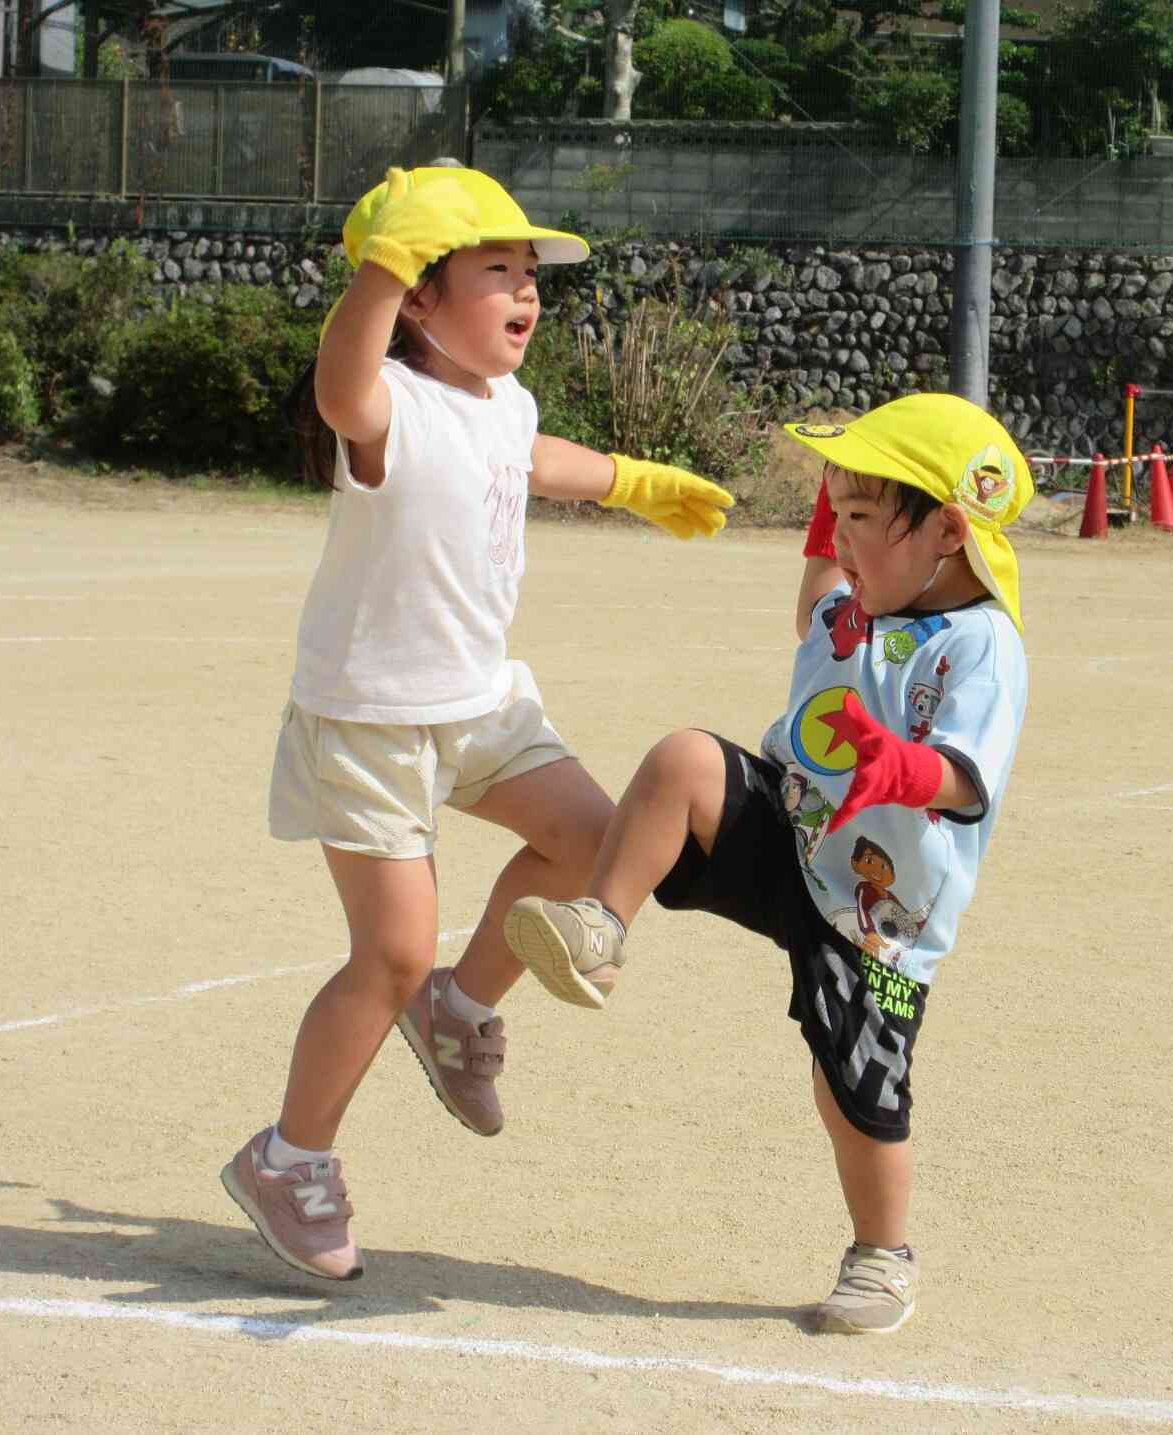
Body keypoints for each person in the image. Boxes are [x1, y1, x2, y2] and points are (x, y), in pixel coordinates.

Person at [220, 165, 735, 1282]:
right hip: (373, 717)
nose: (526, 290)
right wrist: (380, 266)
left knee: (595, 843)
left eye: (529, 272)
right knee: (390, 953)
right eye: (496, 270)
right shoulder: (386, 405)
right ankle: (287, 1159)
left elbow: (529, 459)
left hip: (481, 700)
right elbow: (340, 386)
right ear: (419, 297)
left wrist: (633, 480)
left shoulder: (509, 402)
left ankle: (458, 1010)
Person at [501, 393, 1033, 1334]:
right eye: (839, 513)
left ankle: (881, 1255)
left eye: (863, 516)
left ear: (949, 531)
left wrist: (902, 767)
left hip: (876, 912)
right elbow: (813, 594)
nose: (843, 540)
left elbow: (962, 773)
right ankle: (600, 928)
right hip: (790, 831)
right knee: (683, 761)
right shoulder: (856, 603)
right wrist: (836, 502)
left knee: (852, 1091)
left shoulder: (980, 644)